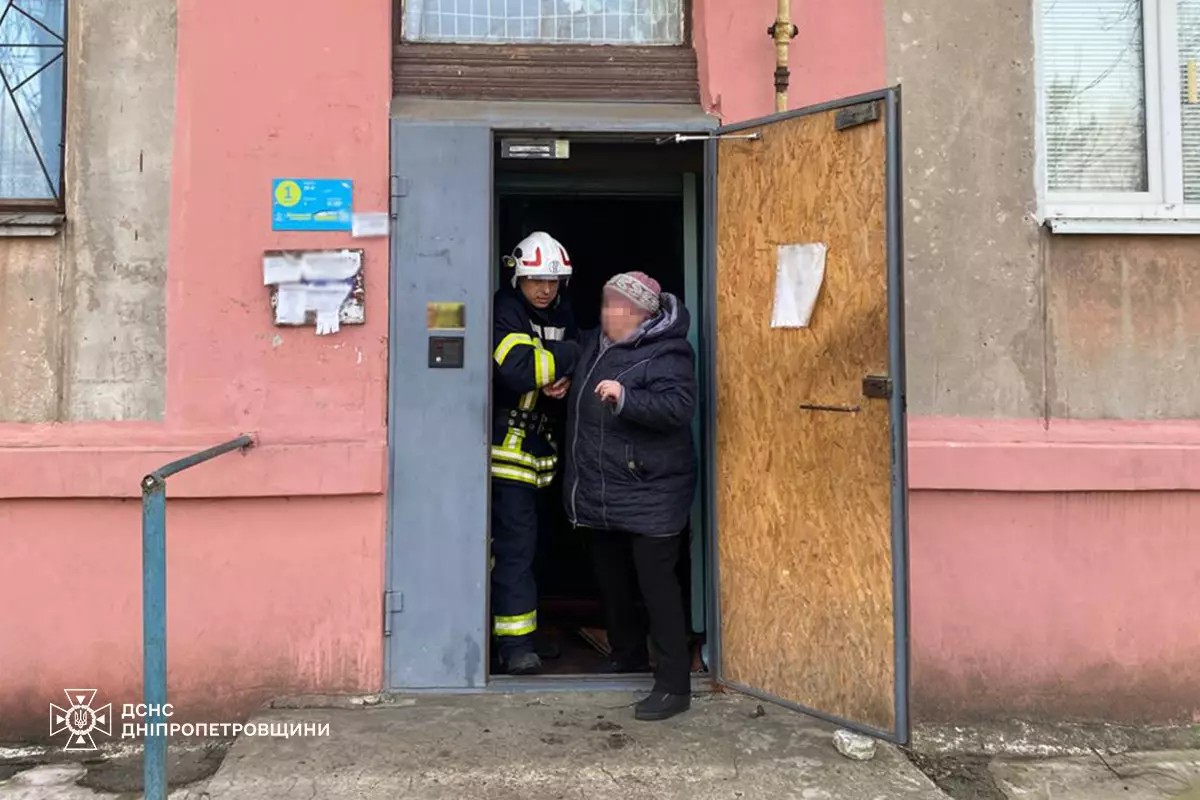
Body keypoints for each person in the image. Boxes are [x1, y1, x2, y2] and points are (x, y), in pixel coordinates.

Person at [563, 271, 697, 721]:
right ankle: (627, 653)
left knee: (657, 587)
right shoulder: (595, 346)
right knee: (611, 579)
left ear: (643, 314)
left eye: (619, 308)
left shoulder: (670, 352)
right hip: (602, 489)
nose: (608, 315)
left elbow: (678, 408)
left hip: (650, 490)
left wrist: (627, 398)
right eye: (606, 305)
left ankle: (675, 686)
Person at [490, 231, 580, 675]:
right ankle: (513, 646)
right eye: (536, 280)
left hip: (543, 453)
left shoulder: (562, 311)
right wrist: (569, 355)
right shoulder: (504, 310)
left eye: (553, 280)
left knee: (538, 548)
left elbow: (576, 363)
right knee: (514, 549)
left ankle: (526, 631)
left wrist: (563, 368)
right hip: (507, 454)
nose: (545, 289)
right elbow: (519, 370)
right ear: (517, 278)